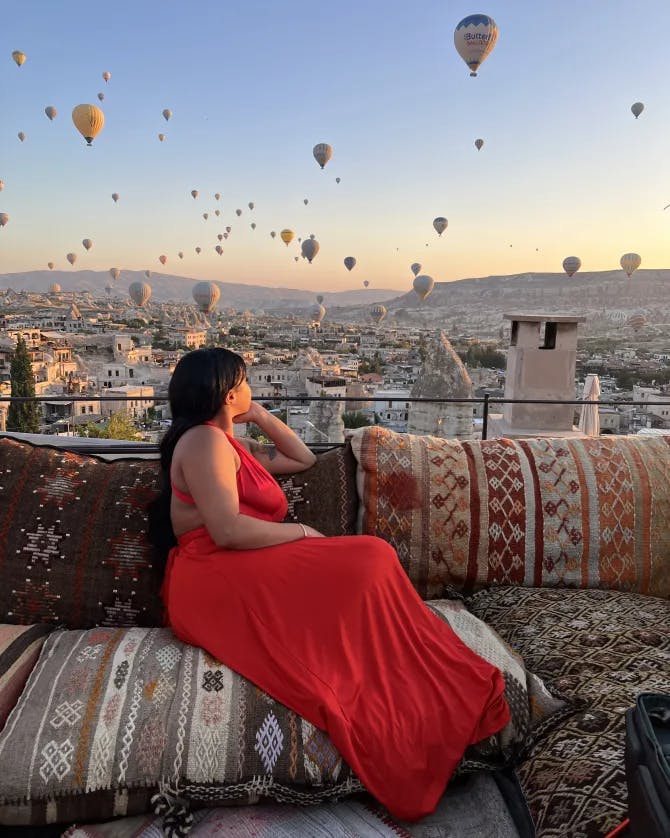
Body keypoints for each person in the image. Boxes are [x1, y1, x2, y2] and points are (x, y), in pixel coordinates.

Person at [149, 347, 510, 821]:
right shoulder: (204, 443)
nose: (254, 389)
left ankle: (405, 668)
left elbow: (300, 458)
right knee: (372, 557)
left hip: (243, 562)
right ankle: (409, 689)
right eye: (247, 382)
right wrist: (301, 531)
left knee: (370, 560)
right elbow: (227, 531)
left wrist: (255, 413)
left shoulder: (227, 443)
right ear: (227, 391)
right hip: (216, 572)